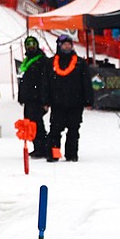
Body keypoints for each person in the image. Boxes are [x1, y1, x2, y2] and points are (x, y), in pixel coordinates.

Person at [44, 34, 93, 162]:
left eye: (69, 44)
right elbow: (45, 84)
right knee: (55, 131)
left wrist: (88, 100)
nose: (67, 46)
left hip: (75, 103)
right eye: (65, 44)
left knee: (73, 130)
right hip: (57, 103)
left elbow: (86, 82)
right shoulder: (50, 63)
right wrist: (45, 101)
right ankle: (54, 154)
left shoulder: (80, 63)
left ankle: (71, 155)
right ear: (59, 46)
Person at [17, 36, 50, 158]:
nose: (31, 47)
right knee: (30, 124)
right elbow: (25, 81)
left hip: (37, 98)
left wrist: (45, 99)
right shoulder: (27, 61)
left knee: (37, 124)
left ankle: (43, 148)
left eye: (33, 45)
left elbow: (45, 81)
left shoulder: (42, 61)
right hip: (29, 98)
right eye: (28, 45)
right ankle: (37, 146)